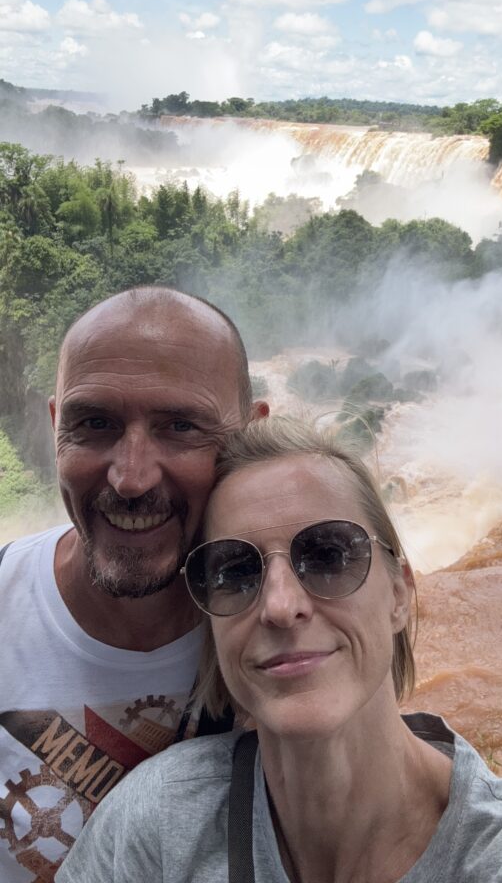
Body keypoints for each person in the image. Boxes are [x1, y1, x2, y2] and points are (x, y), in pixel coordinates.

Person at [56, 417, 502, 883]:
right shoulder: (158, 828)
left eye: (329, 554)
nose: (281, 606)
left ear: (400, 594)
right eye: (236, 570)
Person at [0, 286, 268, 883]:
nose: (130, 477)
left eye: (180, 426)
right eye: (94, 423)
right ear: (54, 426)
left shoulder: (297, 633)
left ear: (253, 435)